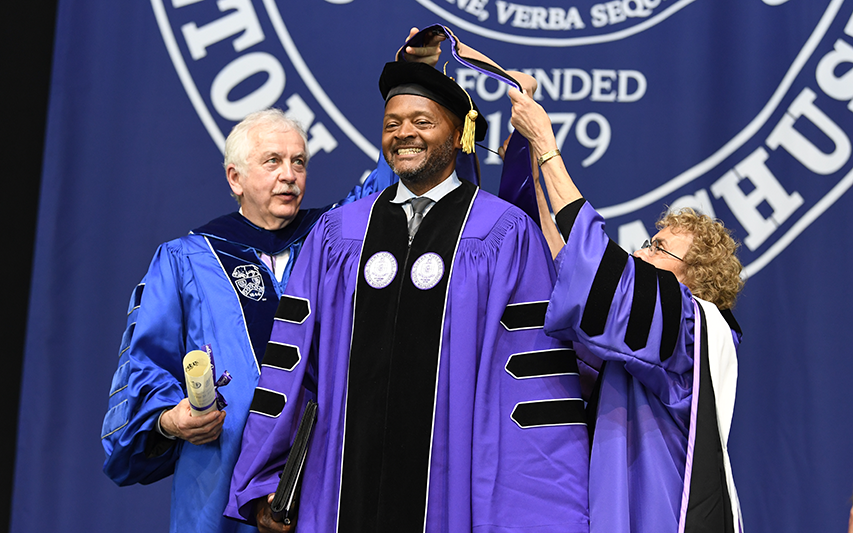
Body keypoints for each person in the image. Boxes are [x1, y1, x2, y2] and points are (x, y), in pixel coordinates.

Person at [225, 59, 591, 533]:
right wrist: (265, 480)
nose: (404, 134)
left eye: (422, 122)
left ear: (459, 134)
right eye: (392, 124)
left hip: (453, 490)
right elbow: (292, 368)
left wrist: (535, 510)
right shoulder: (338, 235)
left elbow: (531, 377)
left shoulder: (503, 233)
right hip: (339, 488)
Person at [100, 108, 396, 533]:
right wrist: (170, 420)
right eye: (272, 161)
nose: (290, 174)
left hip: (323, 465)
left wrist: (415, 76)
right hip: (219, 475)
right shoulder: (186, 260)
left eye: (299, 162)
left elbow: (389, 192)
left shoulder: (332, 241)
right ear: (235, 178)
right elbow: (146, 364)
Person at [506, 86, 745, 533]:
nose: (638, 251)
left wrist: (546, 147)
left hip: (660, 514)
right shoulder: (648, 334)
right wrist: (529, 170)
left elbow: (598, 271)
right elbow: (564, 264)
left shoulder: (690, 327)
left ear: (694, 279)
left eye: (657, 248)